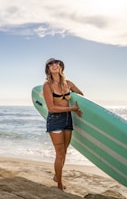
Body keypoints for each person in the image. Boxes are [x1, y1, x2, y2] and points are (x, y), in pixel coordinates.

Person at [43, 58, 83, 190]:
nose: (54, 65)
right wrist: (72, 109)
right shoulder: (47, 86)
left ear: (61, 67)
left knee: (64, 151)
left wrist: (80, 107)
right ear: (48, 69)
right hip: (55, 119)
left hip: (68, 119)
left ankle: (56, 176)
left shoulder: (69, 83)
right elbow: (51, 108)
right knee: (59, 153)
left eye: (57, 63)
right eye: (51, 64)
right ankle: (59, 184)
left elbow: (81, 96)